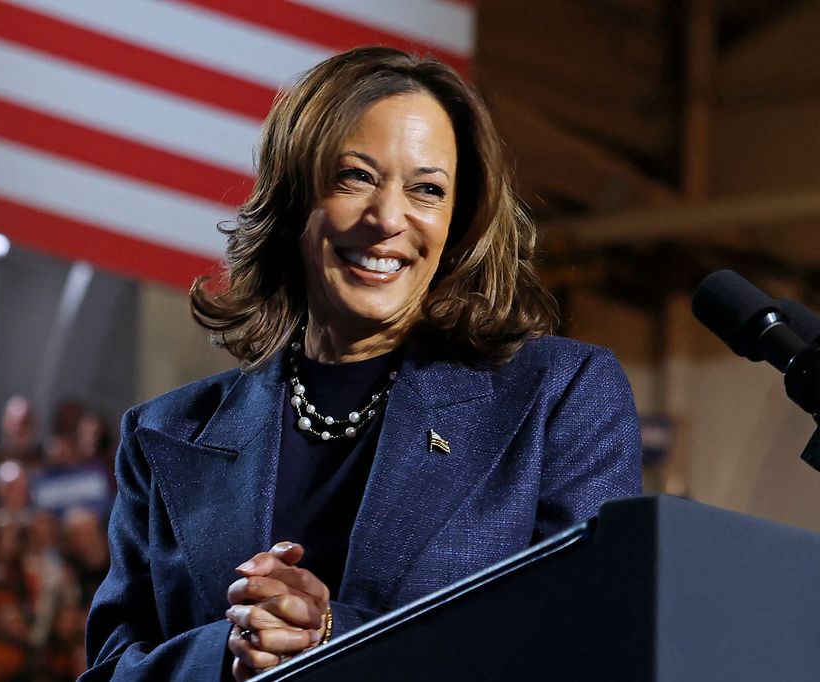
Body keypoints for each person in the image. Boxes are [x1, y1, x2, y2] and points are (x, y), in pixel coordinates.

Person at [82, 46, 641, 681]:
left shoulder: (559, 396)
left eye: (426, 190)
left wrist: (328, 637)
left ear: (458, 223)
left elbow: (587, 647)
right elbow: (110, 671)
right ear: (295, 198)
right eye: (355, 177)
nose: (387, 219)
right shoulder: (165, 435)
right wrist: (231, 650)